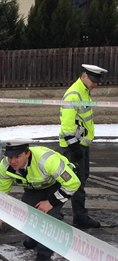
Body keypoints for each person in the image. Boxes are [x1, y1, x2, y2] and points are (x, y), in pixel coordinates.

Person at [0, 142, 80, 261]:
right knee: (28, 211)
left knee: (47, 216)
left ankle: (45, 251)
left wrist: (50, 202)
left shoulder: (47, 161)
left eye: (17, 157)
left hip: (58, 184)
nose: (12, 161)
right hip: (34, 187)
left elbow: (73, 183)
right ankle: (34, 237)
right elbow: (1, 191)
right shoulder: (5, 165)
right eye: (10, 157)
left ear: (27, 153)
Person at [58, 64, 107, 229]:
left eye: (97, 81)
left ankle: (69, 214)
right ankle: (75, 216)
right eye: (93, 80)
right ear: (84, 76)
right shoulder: (73, 94)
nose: (95, 84)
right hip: (73, 147)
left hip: (81, 146)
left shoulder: (84, 91)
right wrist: (74, 146)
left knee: (79, 179)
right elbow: (67, 124)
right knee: (73, 182)